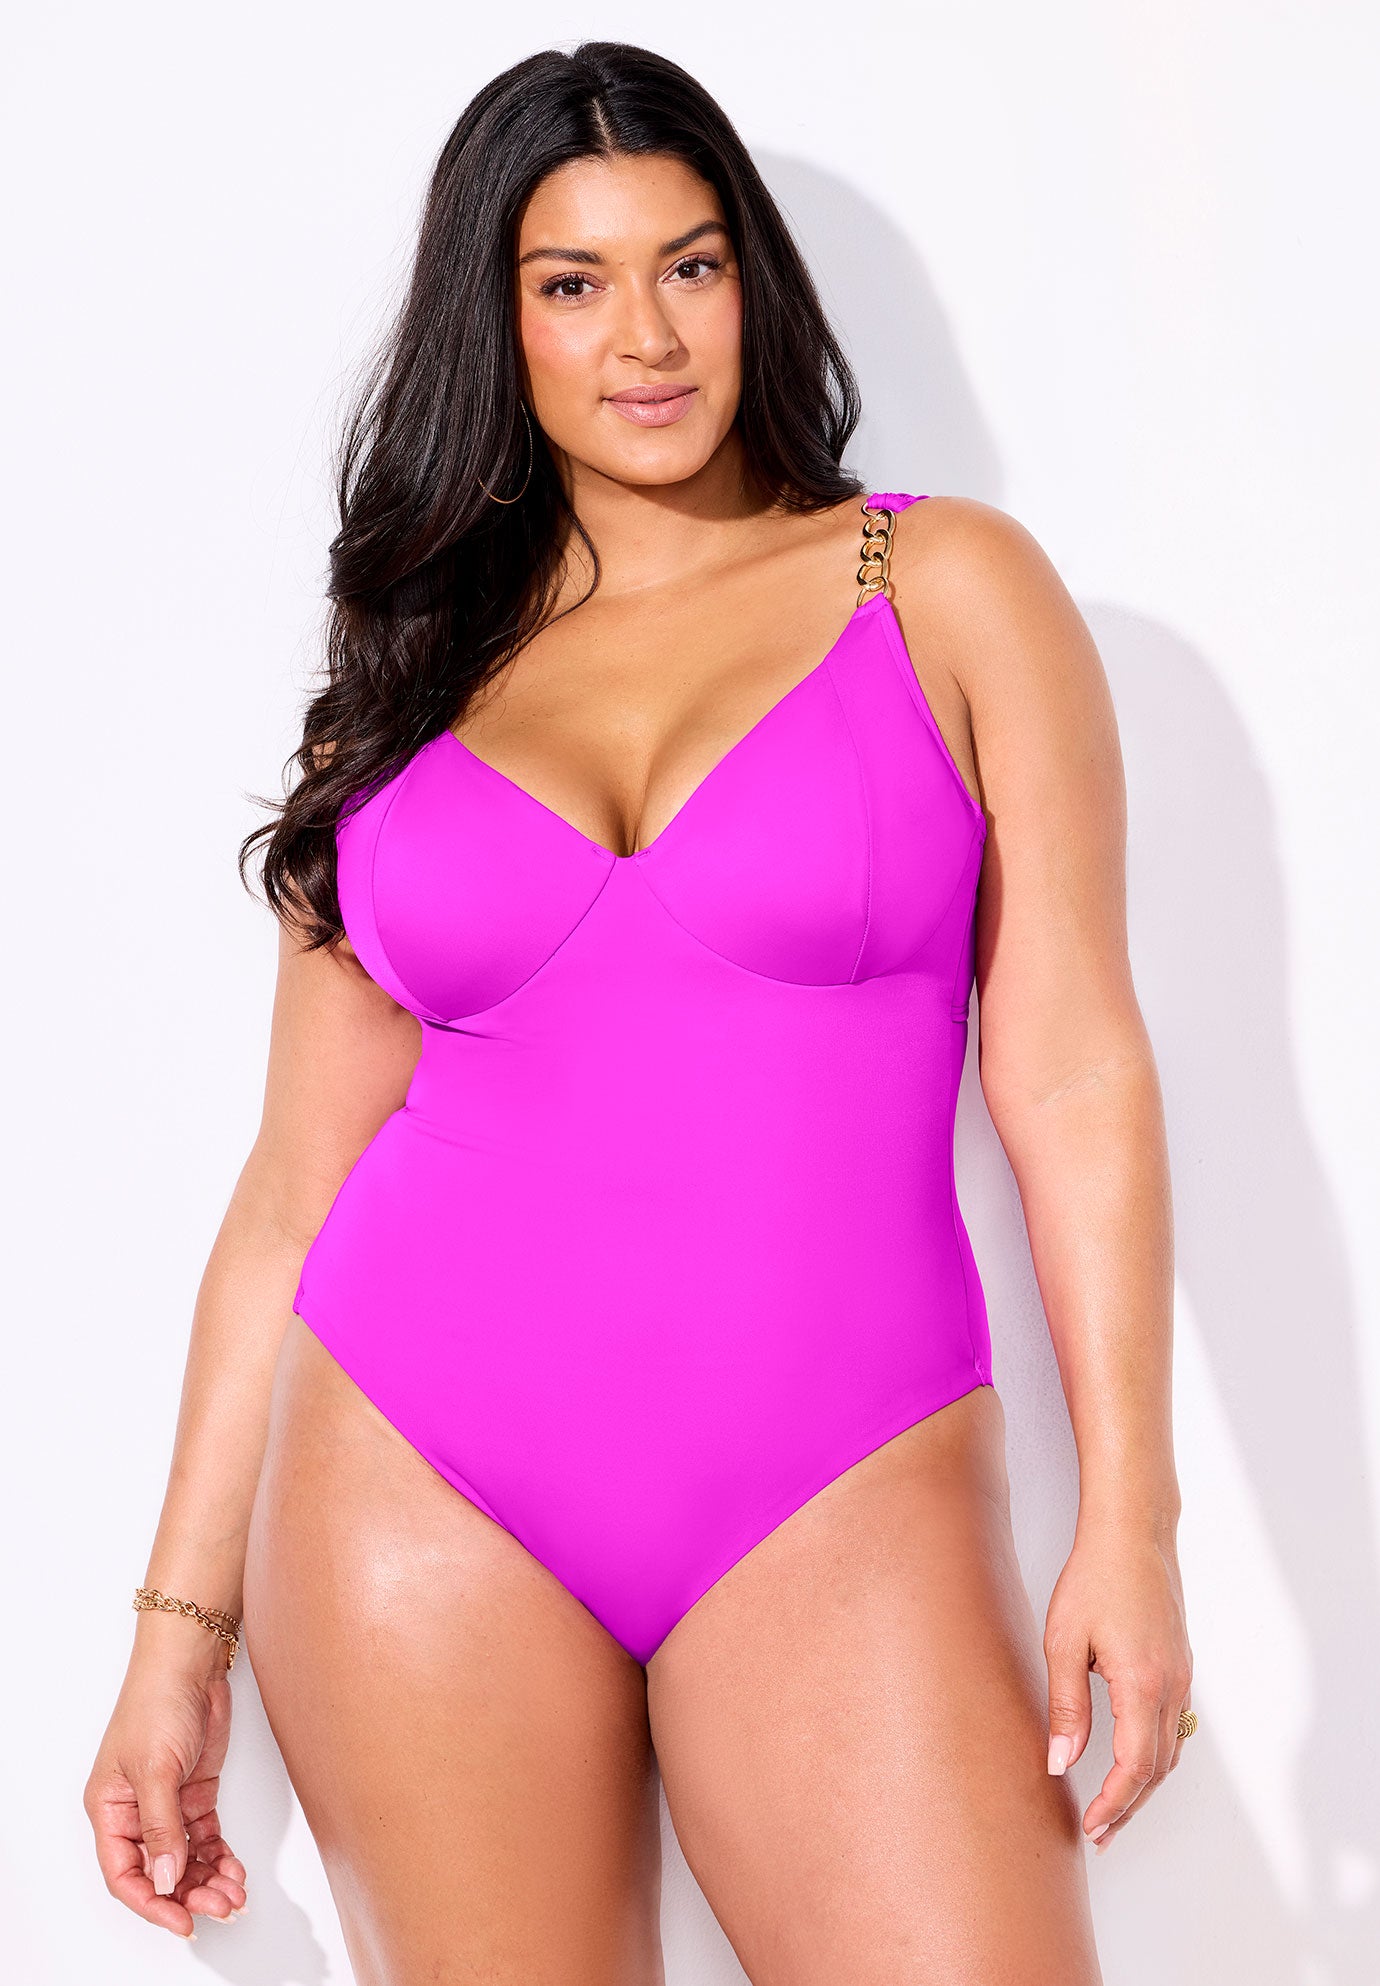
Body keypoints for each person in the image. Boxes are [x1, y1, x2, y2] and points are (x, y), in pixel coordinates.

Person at [84, 39, 1194, 1984]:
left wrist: (1137, 1518)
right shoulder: (405, 695)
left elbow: (1076, 1069)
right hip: (417, 1476)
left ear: (753, 278)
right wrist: (177, 1634)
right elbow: (290, 1192)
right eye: (573, 283)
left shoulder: (937, 587)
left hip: (844, 1471)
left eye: (690, 264)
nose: (649, 336)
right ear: (495, 322)